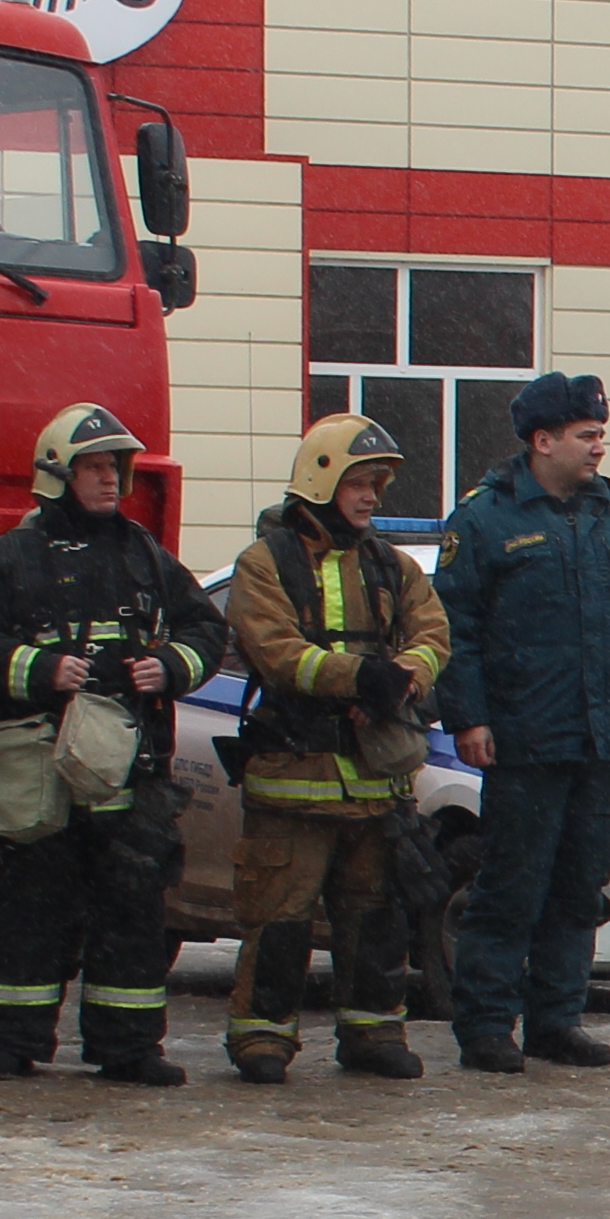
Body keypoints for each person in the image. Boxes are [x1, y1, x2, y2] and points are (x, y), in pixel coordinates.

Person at [0, 402, 225, 1085]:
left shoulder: (145, 556)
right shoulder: (8, 558)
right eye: (94, 466)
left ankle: (128, 1046)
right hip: (40, 765)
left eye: (115, 466)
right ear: (56, 474)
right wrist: (41, 670)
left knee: (131, 907)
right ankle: (11, 1044)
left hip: (129, 771)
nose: (110, 479)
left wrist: (173, 664)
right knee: (28, 908)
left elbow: (205, 629)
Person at [435, 373, 610, 1072]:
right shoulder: (486, 519)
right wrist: (469, 718)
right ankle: (486, 1024)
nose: (599, 448)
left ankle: (556, 1018)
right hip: (522, 737)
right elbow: (457, 629)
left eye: (601, 434)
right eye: (586, 435)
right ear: (543, 442)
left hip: (598, 736)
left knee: (579, 885)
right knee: (511, 885)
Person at [215, 414, 450, 1085]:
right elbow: (277, 651)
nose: (372, 495)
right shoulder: (264, 565)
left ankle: (373, 1033)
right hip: (294, 775)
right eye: (359, 481)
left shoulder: (392, 566)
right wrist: (359, 677)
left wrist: (404, 679)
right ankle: (261, 1039)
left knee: (375, 920)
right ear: (320, 481)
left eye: (377, 482)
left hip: (376, 782)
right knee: (279, 919)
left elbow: (433, 634)